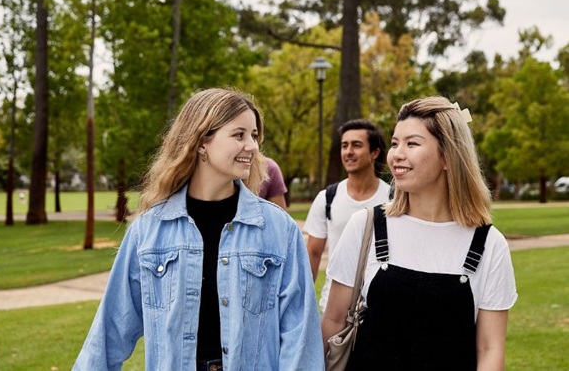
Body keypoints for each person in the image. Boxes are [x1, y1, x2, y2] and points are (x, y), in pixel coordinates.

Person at [72, 88, 324, 370]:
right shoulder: (148, 231)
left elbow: (300, 337)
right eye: (239, 135)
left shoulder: (279, 230)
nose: (252, 146)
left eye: (254, 136)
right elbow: (109, 331)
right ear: (202, 141)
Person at [322, 96, 517, 370]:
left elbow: (490, 349)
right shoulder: (366, 226)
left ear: (448, 156)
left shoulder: (489, 244)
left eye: (411, 143)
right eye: (394, 143)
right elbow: (333, 321)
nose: (396, 154)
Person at [303, 119, 390, 313]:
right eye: (344, 145)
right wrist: (302, 302)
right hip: (332, 307)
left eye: (356, 145)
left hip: (379, 308)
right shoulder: (327, 198)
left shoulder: (393, 198)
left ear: (374, 153)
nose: (348, 151)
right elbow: (313, 253)